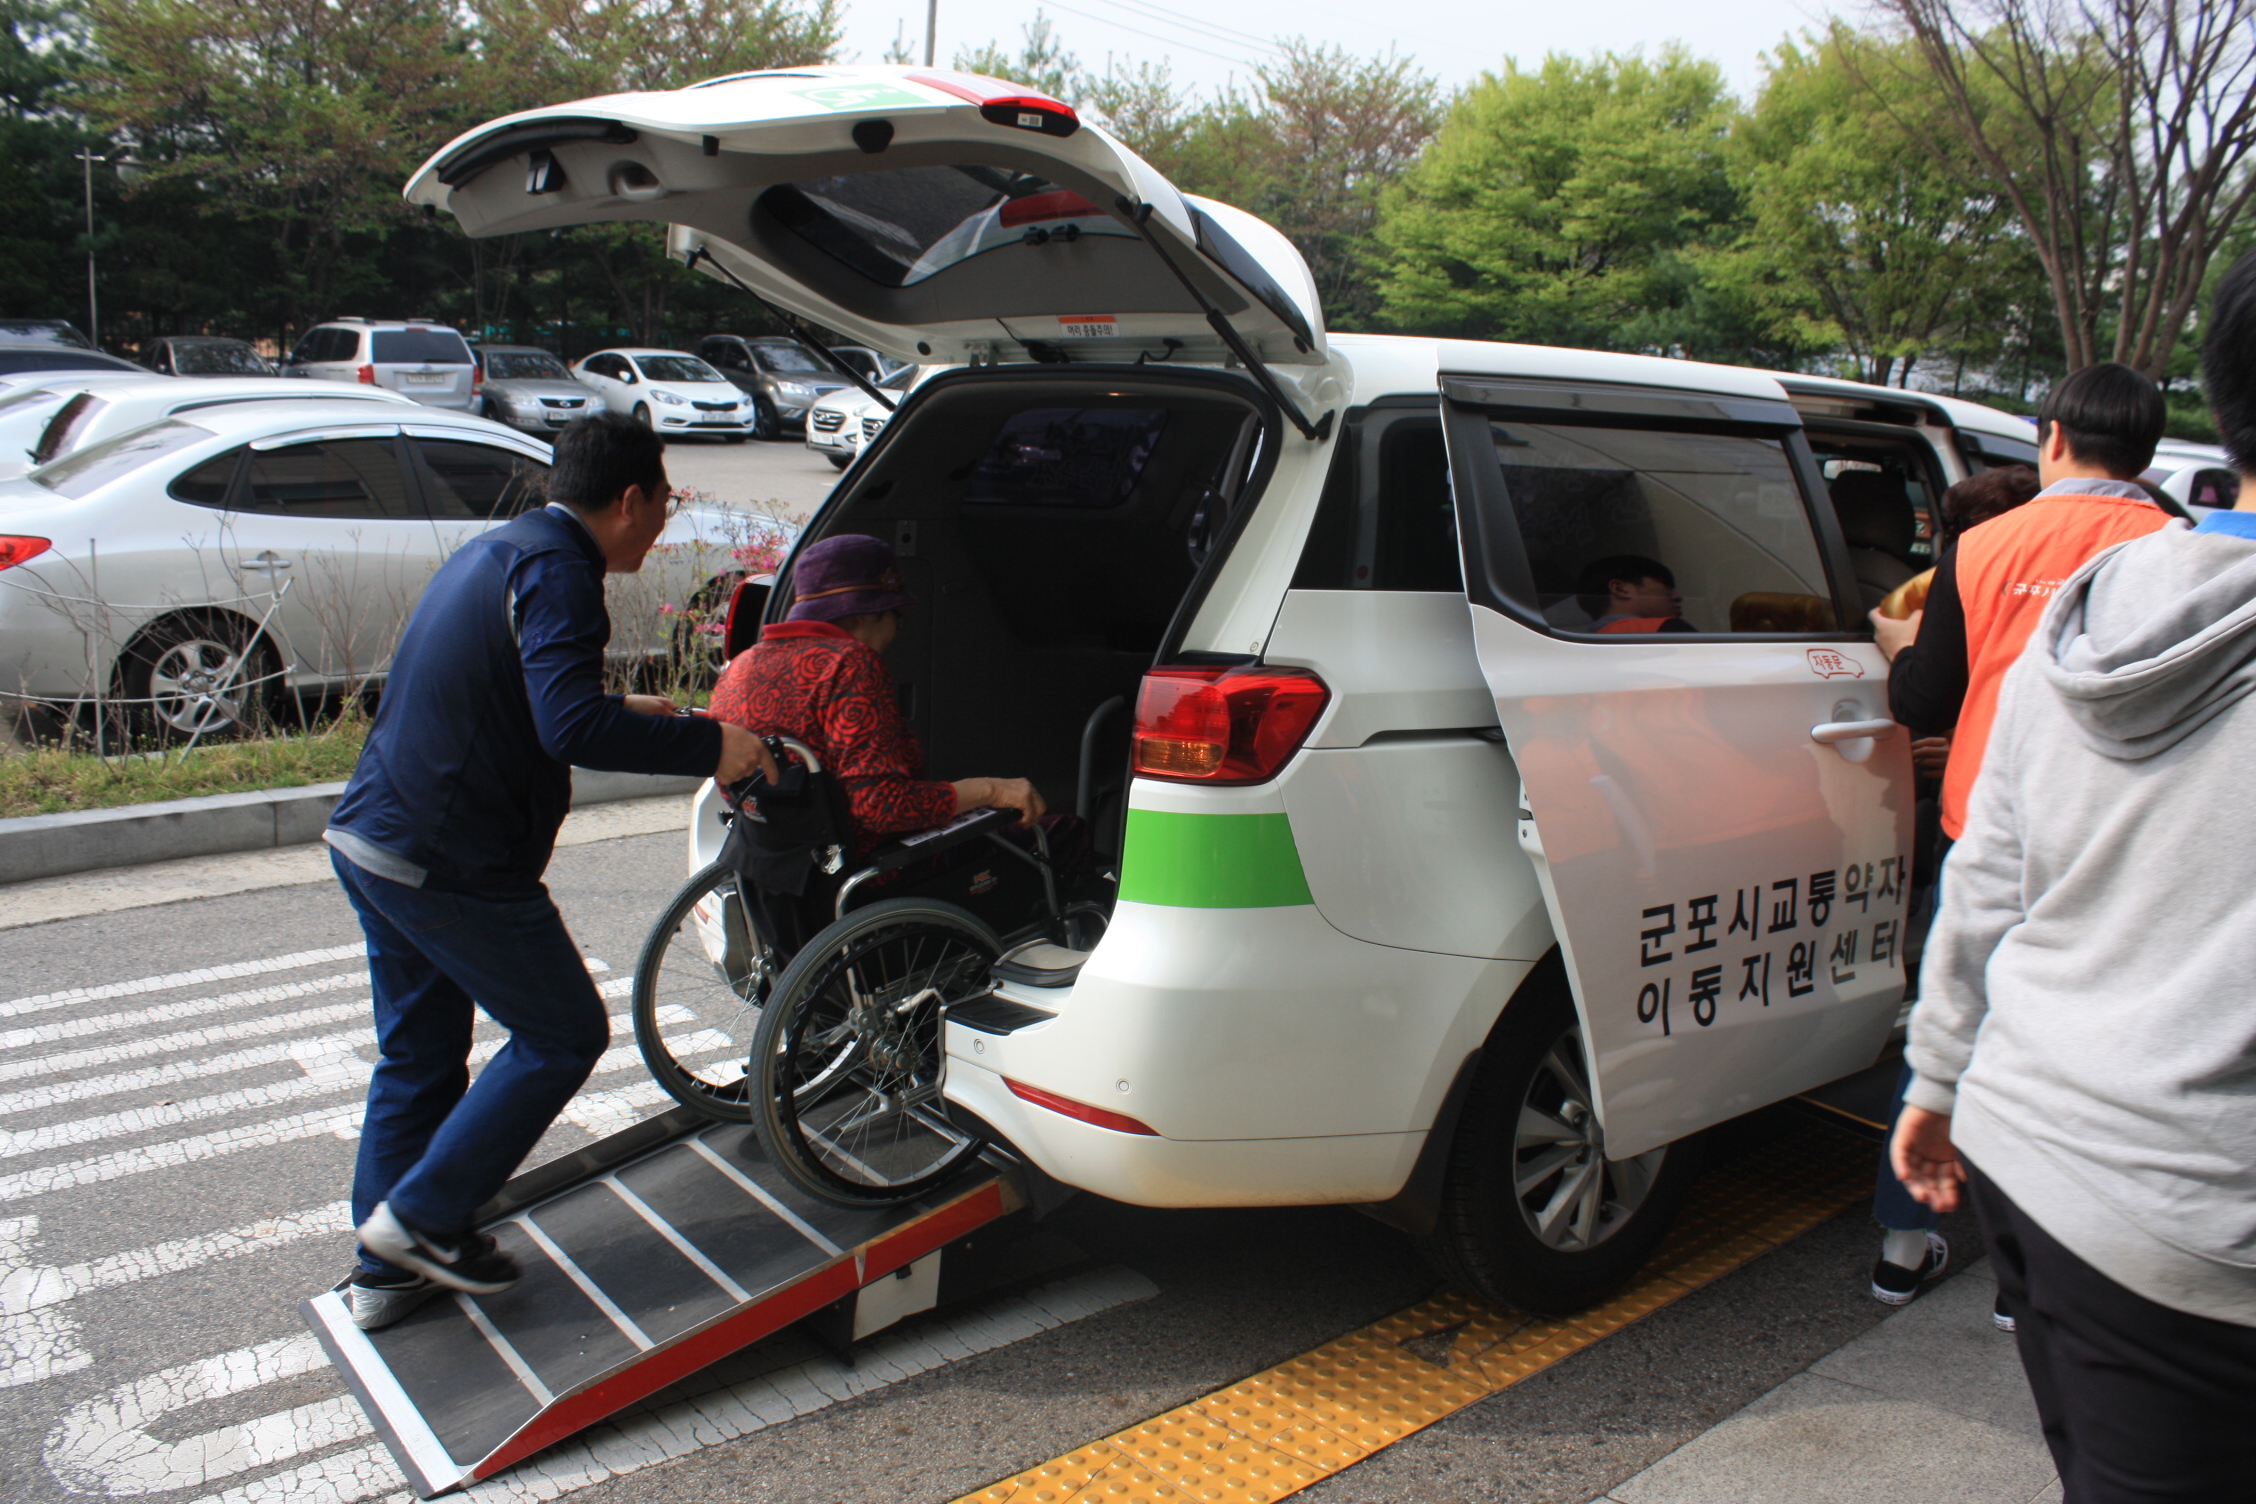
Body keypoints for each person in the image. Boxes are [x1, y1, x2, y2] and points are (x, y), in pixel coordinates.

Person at [1891, 251, 2256, 1500]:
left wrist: (1941, 1070)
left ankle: (1901, 1252)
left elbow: (1980, 842)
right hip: (2200, 1208)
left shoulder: (2073, 594)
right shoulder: (2143, 538)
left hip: (2032, 1115)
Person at [324, 413, 775, 1330]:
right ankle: (420, 1221)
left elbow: (520, 695)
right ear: (630, 499)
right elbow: (569, 728)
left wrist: (623, 707)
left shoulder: (504, 550)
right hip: (450, 858)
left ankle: (387, 1270)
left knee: (418, 1054)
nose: (664, 524)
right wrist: (714, 745)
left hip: (375, 839)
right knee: (562, 1032)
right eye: (665, 503)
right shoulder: (563, 572)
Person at [1862, 370, 2168, 1318]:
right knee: (2074, 1059)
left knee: (1948, 1029)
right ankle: (2018, 1280)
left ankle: (1900, 1249)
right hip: (2119, 848)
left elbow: (1923, 702)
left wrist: (1897, 649)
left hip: (1983, 832)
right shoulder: (2178, 549)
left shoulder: (1985, 544)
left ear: (2055, 436)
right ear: (2149, 451)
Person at [1575, 554, 1695, 632]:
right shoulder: (1664, 630)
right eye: (1666, 586)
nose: (1677, 596)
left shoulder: (1579, 649)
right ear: (1620, 589)